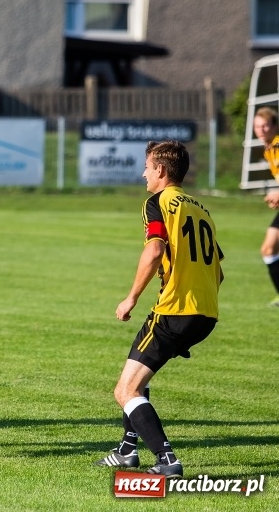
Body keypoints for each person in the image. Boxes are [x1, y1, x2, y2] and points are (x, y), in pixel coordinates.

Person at [94, 140, 224, 478]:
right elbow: (218, 270)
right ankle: (126, 450)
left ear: (161, 171)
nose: (143, 174)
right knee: (139, 368)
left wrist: (131, 298)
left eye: (147, 168)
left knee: (125, 390)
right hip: (206, 313)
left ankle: (167, 460)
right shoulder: (201, 209)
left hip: (175, 310)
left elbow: (154, 251)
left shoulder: (158, 202)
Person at [253, 107, 279, 306]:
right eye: (256, 127)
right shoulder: (269, 149)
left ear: (274, 126)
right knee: (268, 249)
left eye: (264, 126)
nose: (260, 130)